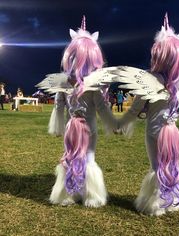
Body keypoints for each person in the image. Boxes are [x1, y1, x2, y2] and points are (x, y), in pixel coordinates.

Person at [117, 13, 179, 216]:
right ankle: (172, 201)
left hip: (154, 130)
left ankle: (155, 204)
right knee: (171, 164)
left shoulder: (150, 79)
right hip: (172, 130)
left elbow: (135, 109)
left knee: (156, 165)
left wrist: (122, 122)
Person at [48, 16, 117, 207]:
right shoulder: (95, 84)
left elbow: (58, 106)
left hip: (72, 127)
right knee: (88, 157)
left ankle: (68, 193)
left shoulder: (63, 81)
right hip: (88, 127)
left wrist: (57, 126)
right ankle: (91, 195)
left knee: (70, 156)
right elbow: (102, 107)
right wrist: (113, 123)